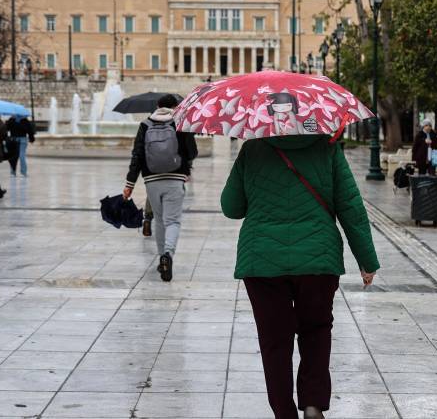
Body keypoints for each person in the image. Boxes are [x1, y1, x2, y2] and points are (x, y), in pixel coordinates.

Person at [221, 135, 380, 419]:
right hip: (318, 257)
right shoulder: (327, 147)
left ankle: (284, 412)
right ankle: (313, 403)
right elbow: (350, 206)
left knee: (274, 340)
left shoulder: (253, 148)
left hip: (262, 260)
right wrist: (367, 260)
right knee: (316, 330)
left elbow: (231, 208)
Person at [122, 94, 198, 281]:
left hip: (151, 179)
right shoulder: (180, 122)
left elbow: (137, 155)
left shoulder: (145, 124)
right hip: (175, 177)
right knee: (172, 221)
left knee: (159, 220)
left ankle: (161, 256)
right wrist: (185, 164)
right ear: (176, 106)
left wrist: (130, 184)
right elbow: (192, 152)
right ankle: (168, 255)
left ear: (157, 105)